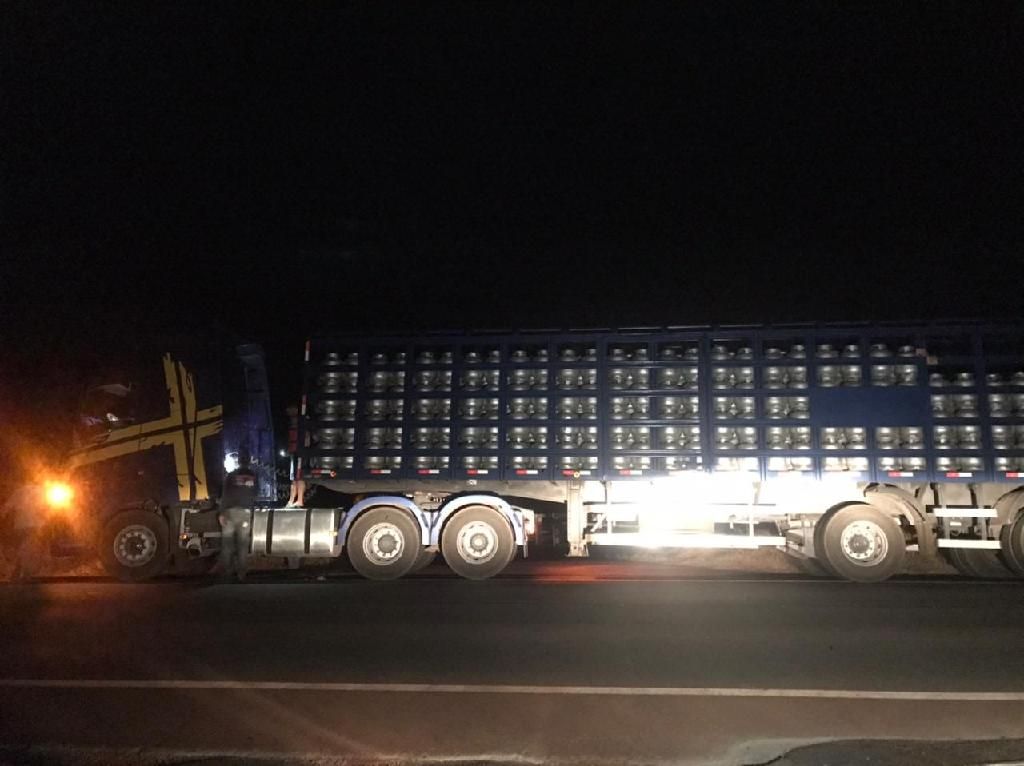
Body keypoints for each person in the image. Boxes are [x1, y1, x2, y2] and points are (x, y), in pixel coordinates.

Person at [218, 454, 257, 582]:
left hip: (230, 512)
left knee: (227, 544)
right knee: (242, 544)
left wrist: (222, 512)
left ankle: (227, 573)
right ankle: (242, 574)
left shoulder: (231, 476)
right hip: (245, 513)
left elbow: (225, 494)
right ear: (249, 461)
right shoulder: (253, 476)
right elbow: (256, 493)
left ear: (239, 461)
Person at [1, 484, 46, 582]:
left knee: (26, 548)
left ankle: (21, 571)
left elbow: (7, 507)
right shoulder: (42, 491)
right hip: (35, 525)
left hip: (23, 525)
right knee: (29, 548)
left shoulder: (20, 491)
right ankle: (24, 572)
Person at [284, 405, 306, 507]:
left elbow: (306, 438)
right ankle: (292, 500)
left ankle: (299, 500)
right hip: (294, 452)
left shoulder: (302, 423)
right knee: (294, 478)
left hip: (300, 453)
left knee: (299, 476)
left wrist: (302, 450)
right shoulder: (292, 423)